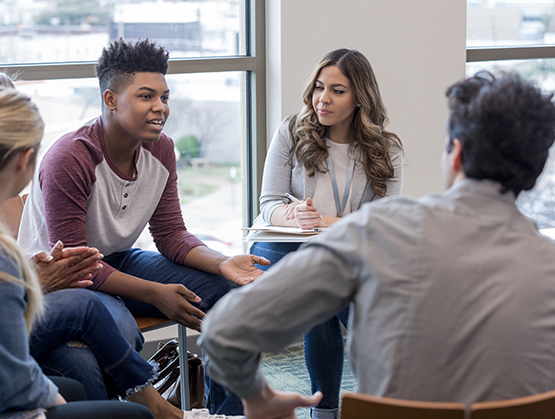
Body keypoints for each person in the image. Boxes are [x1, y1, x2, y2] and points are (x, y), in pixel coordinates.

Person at [199, 70, 555, 419]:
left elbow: (223, 334)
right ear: (535, 170)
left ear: (456, 153)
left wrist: (259, 398)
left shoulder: (376, 230)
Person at [17, 37, 267, 416]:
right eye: (147, 96)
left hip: (118, 259)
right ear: (110, 99)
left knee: (230, 294)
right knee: (119, 332)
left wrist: (222, 263)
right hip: (62, 279)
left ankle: (226, 413)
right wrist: (155, 293)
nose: (160, 108)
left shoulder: (161, 149)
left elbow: (170, 234)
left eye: (164, 97)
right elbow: (76, 266)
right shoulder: (70, 158)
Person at [0, 68, 196, 419]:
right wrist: (33, 283)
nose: (159, 107)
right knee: (88, 340)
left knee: (89, 338)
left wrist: (33, 276)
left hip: (4, 319)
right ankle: (152, 407)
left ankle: (149, 406)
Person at [250, 48, 403, 419]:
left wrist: (327, 225)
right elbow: (268, 203)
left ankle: (334, 410)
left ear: (360, 98)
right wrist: (293, 216)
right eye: (319, 87)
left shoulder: (387, 149)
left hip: (342, 251)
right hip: (284, 246)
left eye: (337, 90)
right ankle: (341, 408)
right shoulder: (291, 131)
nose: (323, 98)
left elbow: (380, 223)